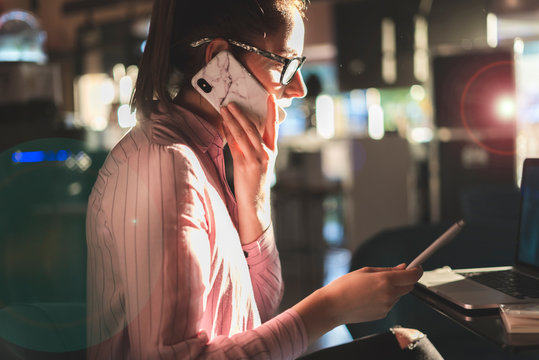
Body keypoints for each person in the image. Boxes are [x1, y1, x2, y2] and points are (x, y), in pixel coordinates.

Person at [85, 0, 443, 359]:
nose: (298, 87)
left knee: (409, 346)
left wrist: (255, 192)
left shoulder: (202, 158)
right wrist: (330, 308)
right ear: (219, 60)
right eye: (286, 65)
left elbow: (256, 309)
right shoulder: (164, 165)